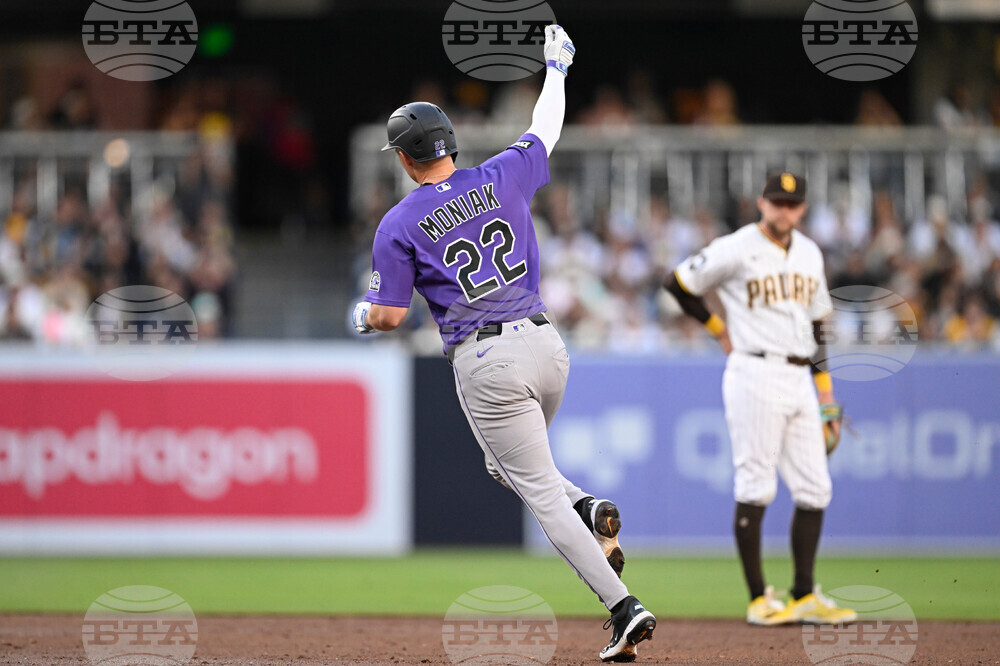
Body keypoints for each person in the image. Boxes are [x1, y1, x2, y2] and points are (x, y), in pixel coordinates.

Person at [351, 25, 656, 662]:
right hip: (549, 347)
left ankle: (623, 608)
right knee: (512, 469)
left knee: (538, 493)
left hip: (487, 360)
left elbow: (387, 315)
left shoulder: (400, 221)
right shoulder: (502, 174)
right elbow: (548, 124)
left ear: (406, 159)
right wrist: (557, 68)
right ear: (451, 146)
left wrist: (358, 314)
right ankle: (591, 504)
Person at [664, 173, 858, 626]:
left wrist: (826, 395)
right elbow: (677, 283)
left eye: (791, 204)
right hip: (753, 369)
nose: (783, 211)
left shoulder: (810, 252)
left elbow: (818, 326)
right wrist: (718, 330)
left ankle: (804, 595)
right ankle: (758, 599)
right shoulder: (737, 245)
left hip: (799, 377)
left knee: (815, 487)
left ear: (803, 209)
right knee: (757, 484)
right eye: (776, 202)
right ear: (761, 204)